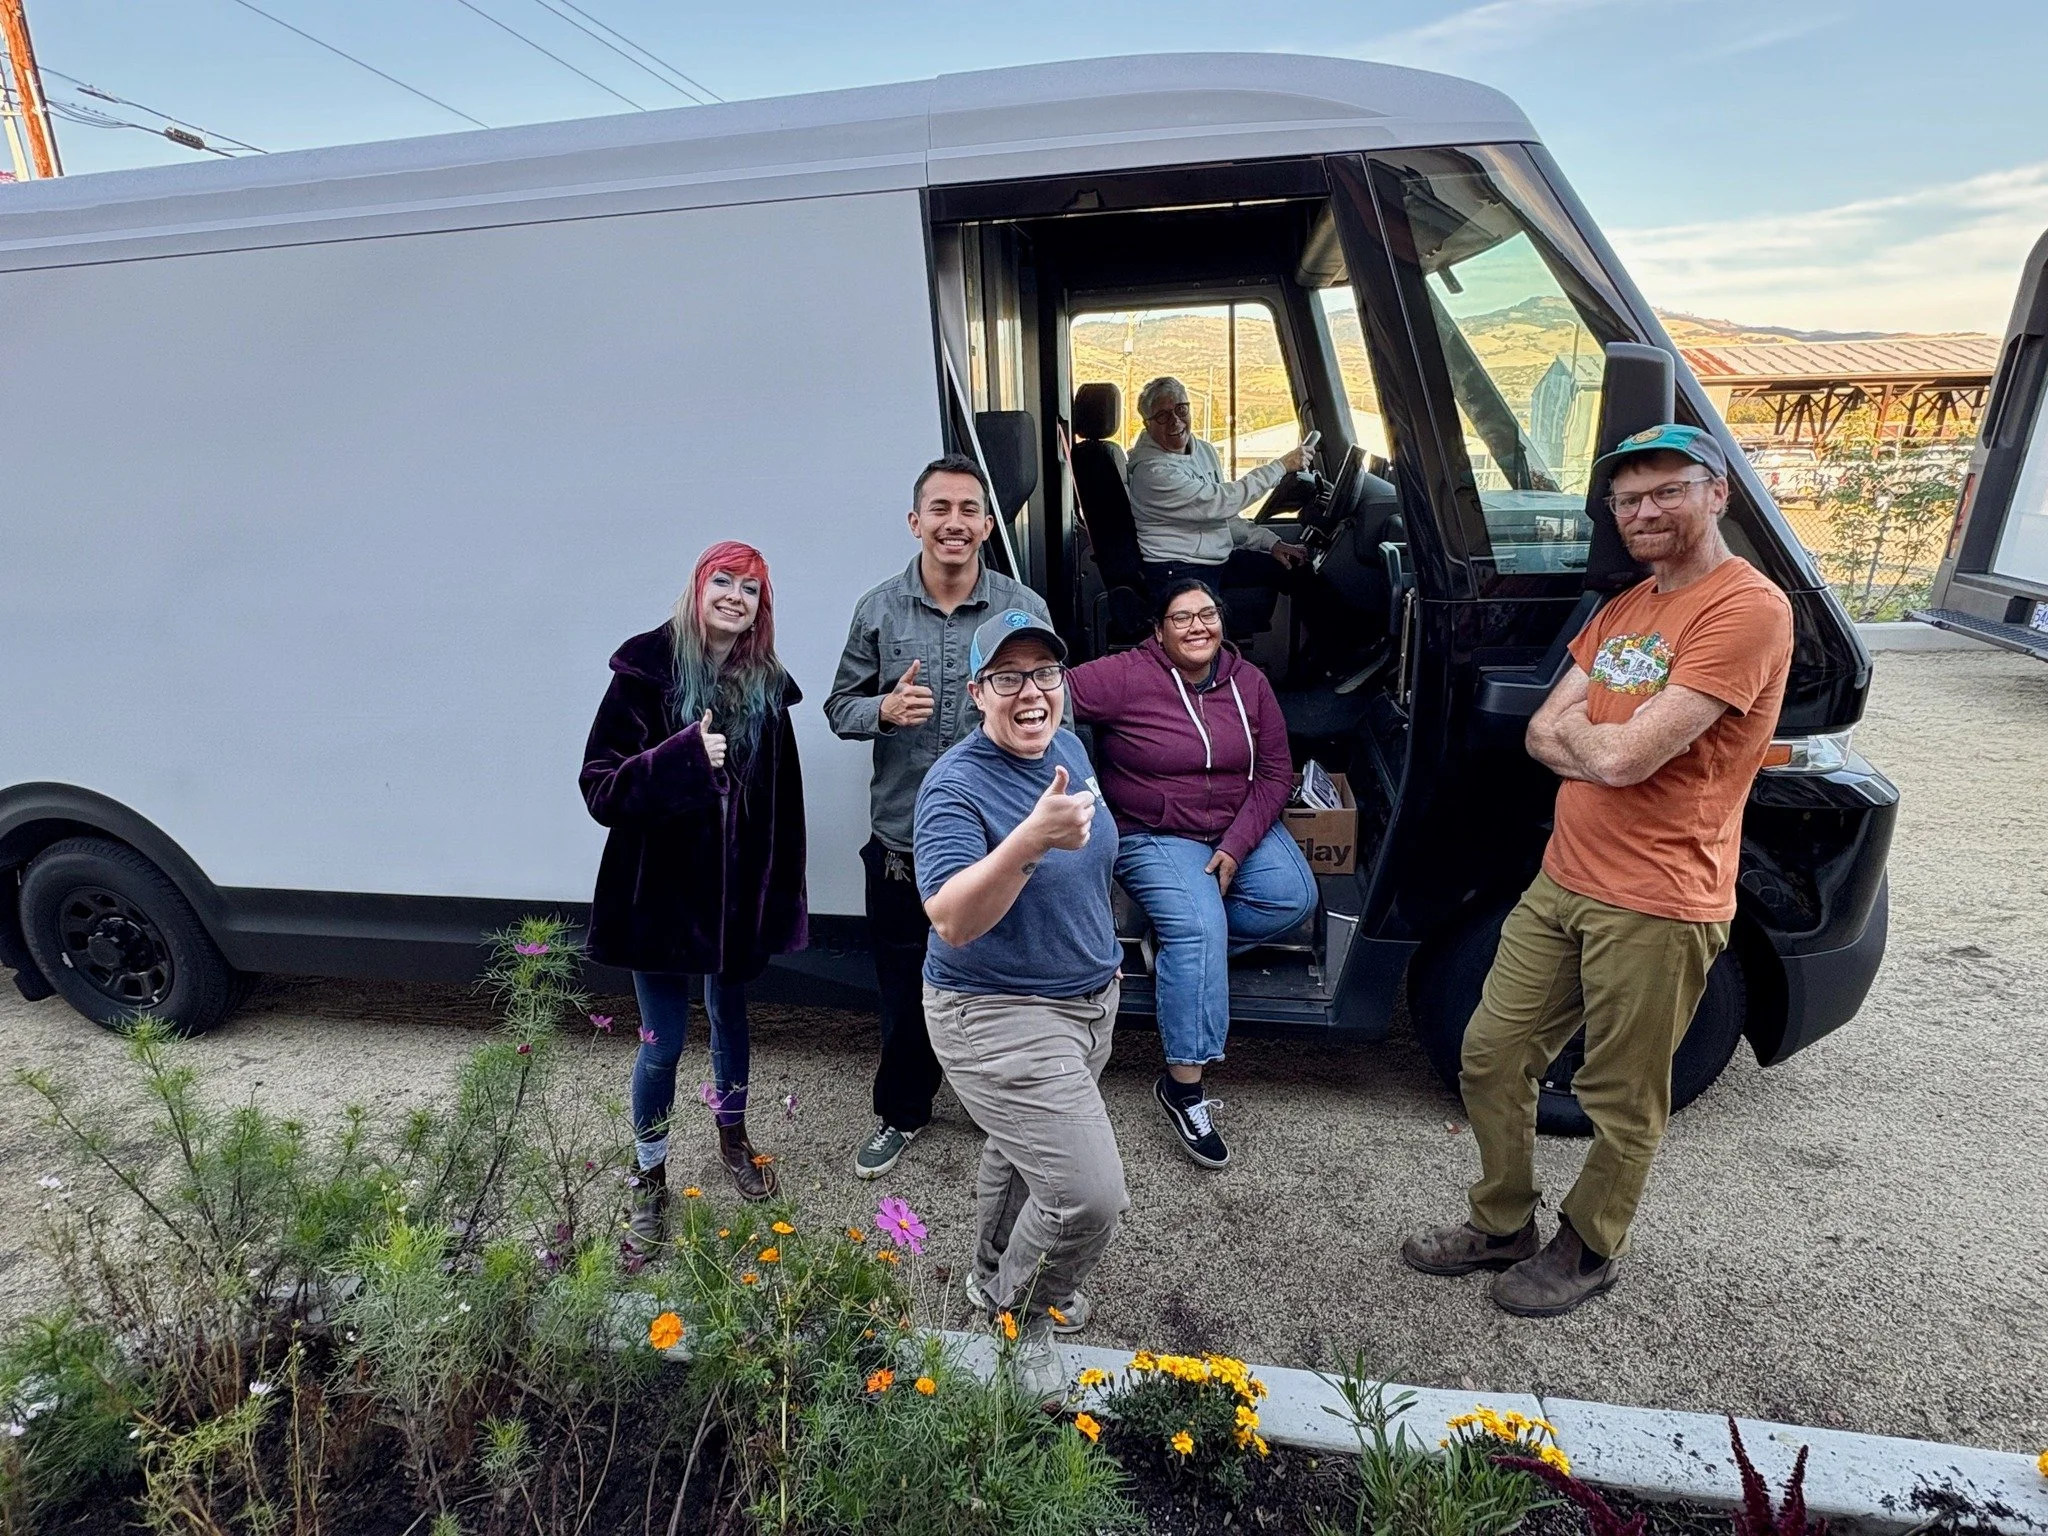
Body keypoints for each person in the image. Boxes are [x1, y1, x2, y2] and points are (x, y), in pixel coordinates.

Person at [1402, 424, 1793, 1317]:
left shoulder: (1747, 609)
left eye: (1666, 491)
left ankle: (1589, 1245)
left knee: (1621, 1097)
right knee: (1491, 1055)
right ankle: (1503, 1222)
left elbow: (1620, 758)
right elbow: (1547, 730)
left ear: (1717, 492)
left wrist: (1593, 744)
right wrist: (1596, 743)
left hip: (1659, 900)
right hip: (1564, 879)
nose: (1644, 511)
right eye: (1627, 499)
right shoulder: (1627, 607)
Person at [826, 454, 1056, 1182]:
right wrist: (884, 711)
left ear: (987, 526)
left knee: (1001, 989)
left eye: (968, 510)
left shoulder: (1023, 609)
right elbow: (839, 708)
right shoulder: (877, 610)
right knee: (902, 991)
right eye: (940, 509)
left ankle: (1009, 1117)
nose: (954, 523)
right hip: (903, 844)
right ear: (915, 521)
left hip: (998, 845)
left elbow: (1054, 709)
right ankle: (902, 1113)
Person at [915, 608, 1124, 1403]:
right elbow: (952, 917)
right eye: (1008, 678)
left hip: (1085, 1002)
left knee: (1020, 1152)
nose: (1031, 693)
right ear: (977, 692)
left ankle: (985, 1275)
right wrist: (1028, 841)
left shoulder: (1066, 749)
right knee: (1087, 1196)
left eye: (1044, 674)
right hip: (995, 1010)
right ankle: (1020, 1314)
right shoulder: (955, 787)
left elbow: (1093, 860)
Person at [580, 540, 808, 1238]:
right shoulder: (644, 671)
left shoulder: (766, 685)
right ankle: (649, 1175)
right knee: (664, 1042)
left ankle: (732, 1138)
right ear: (700, 586)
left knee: (731, 1019)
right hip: (661, 900)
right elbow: (600, 787)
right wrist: (681, 759)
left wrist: (777, 896)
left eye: (751, 589)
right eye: (725, 581)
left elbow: (782, 805)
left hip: (736, 899)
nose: (735, 596)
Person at [1066, 577, 1315, 1169]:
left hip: (1235, 823)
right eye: (1182, 618)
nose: (1198, 627)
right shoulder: (1126, 675)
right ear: (1158, 630)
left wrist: (1235, 844)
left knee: (1293, 898)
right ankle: (1183, 1088)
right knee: (1200, 927)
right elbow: (1052, 694)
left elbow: (1278, 774)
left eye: (1207, 615)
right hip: (1152, 830)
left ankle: (1175, 947)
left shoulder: (1247, 682)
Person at [1125, 374, 1312, 633]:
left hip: (1217, 559)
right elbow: (1221, 503)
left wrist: (1272, 543)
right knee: (1206, 633)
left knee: (1299, 572)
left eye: (1181, 409)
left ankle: (1337, 653)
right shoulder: (1152, 473)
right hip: (1176, 567)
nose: (1175, 421)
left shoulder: (1204, 451)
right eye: (1162, 416)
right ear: (1148, 425)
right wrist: (1279, 467)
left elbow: (1223, 516)